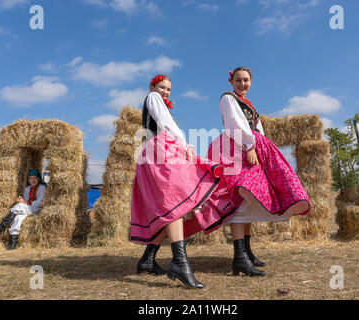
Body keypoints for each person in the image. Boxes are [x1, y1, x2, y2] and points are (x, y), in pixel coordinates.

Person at [131, 74, 236, 289]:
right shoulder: (152, 97)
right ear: (152, 86)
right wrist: (184, 144)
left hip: (161, 149)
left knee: (174, 204)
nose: (165, 91)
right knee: (176, 202)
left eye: (168, 89)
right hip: (159, 151)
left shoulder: (157, 100)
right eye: (162, 87)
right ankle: (179, 262)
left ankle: (148, 260)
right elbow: (165, 122)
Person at [208, 67, 311, 276]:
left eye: (246, 80)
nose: (242, 84)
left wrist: (263, 149)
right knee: (239, 197)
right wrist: (250, 146)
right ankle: (239, 258)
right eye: (238, 80)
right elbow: (234, 124)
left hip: (253, 147)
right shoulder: (228, 98)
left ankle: (246, 251)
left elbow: (259, 130)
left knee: (251, 199)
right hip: (237, 149)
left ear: (251, 82)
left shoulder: (251, 106)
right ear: (231, 82)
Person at [0, 169, 47, 250]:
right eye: (31, 178)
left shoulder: (42, 188)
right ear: (28, 180)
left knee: (19, 205)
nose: (33, 180)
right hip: (28, 208)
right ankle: (12, 245)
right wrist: (23, 201)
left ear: (39, 179)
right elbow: (26, 200)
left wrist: (23, 202)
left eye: (35, 178)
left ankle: (1, 227)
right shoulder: (27, 189)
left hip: (37, 209)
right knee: (17, 218)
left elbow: (40, 202)